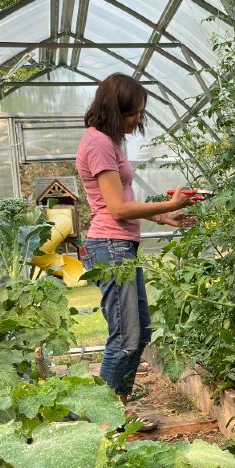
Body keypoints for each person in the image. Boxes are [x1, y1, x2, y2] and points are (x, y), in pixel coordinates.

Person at [75, 73, 197, 431]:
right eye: (134, 114)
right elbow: (116, 209)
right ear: (115, 109)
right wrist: (167, 203)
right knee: (125, 337)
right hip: (110, 247)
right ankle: (107, 422)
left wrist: (166, 214)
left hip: (121, 245)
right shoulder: (97, 144)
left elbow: (124, 200)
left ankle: (117, 413)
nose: (138, 120)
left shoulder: (109, 143)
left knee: (139, 333)